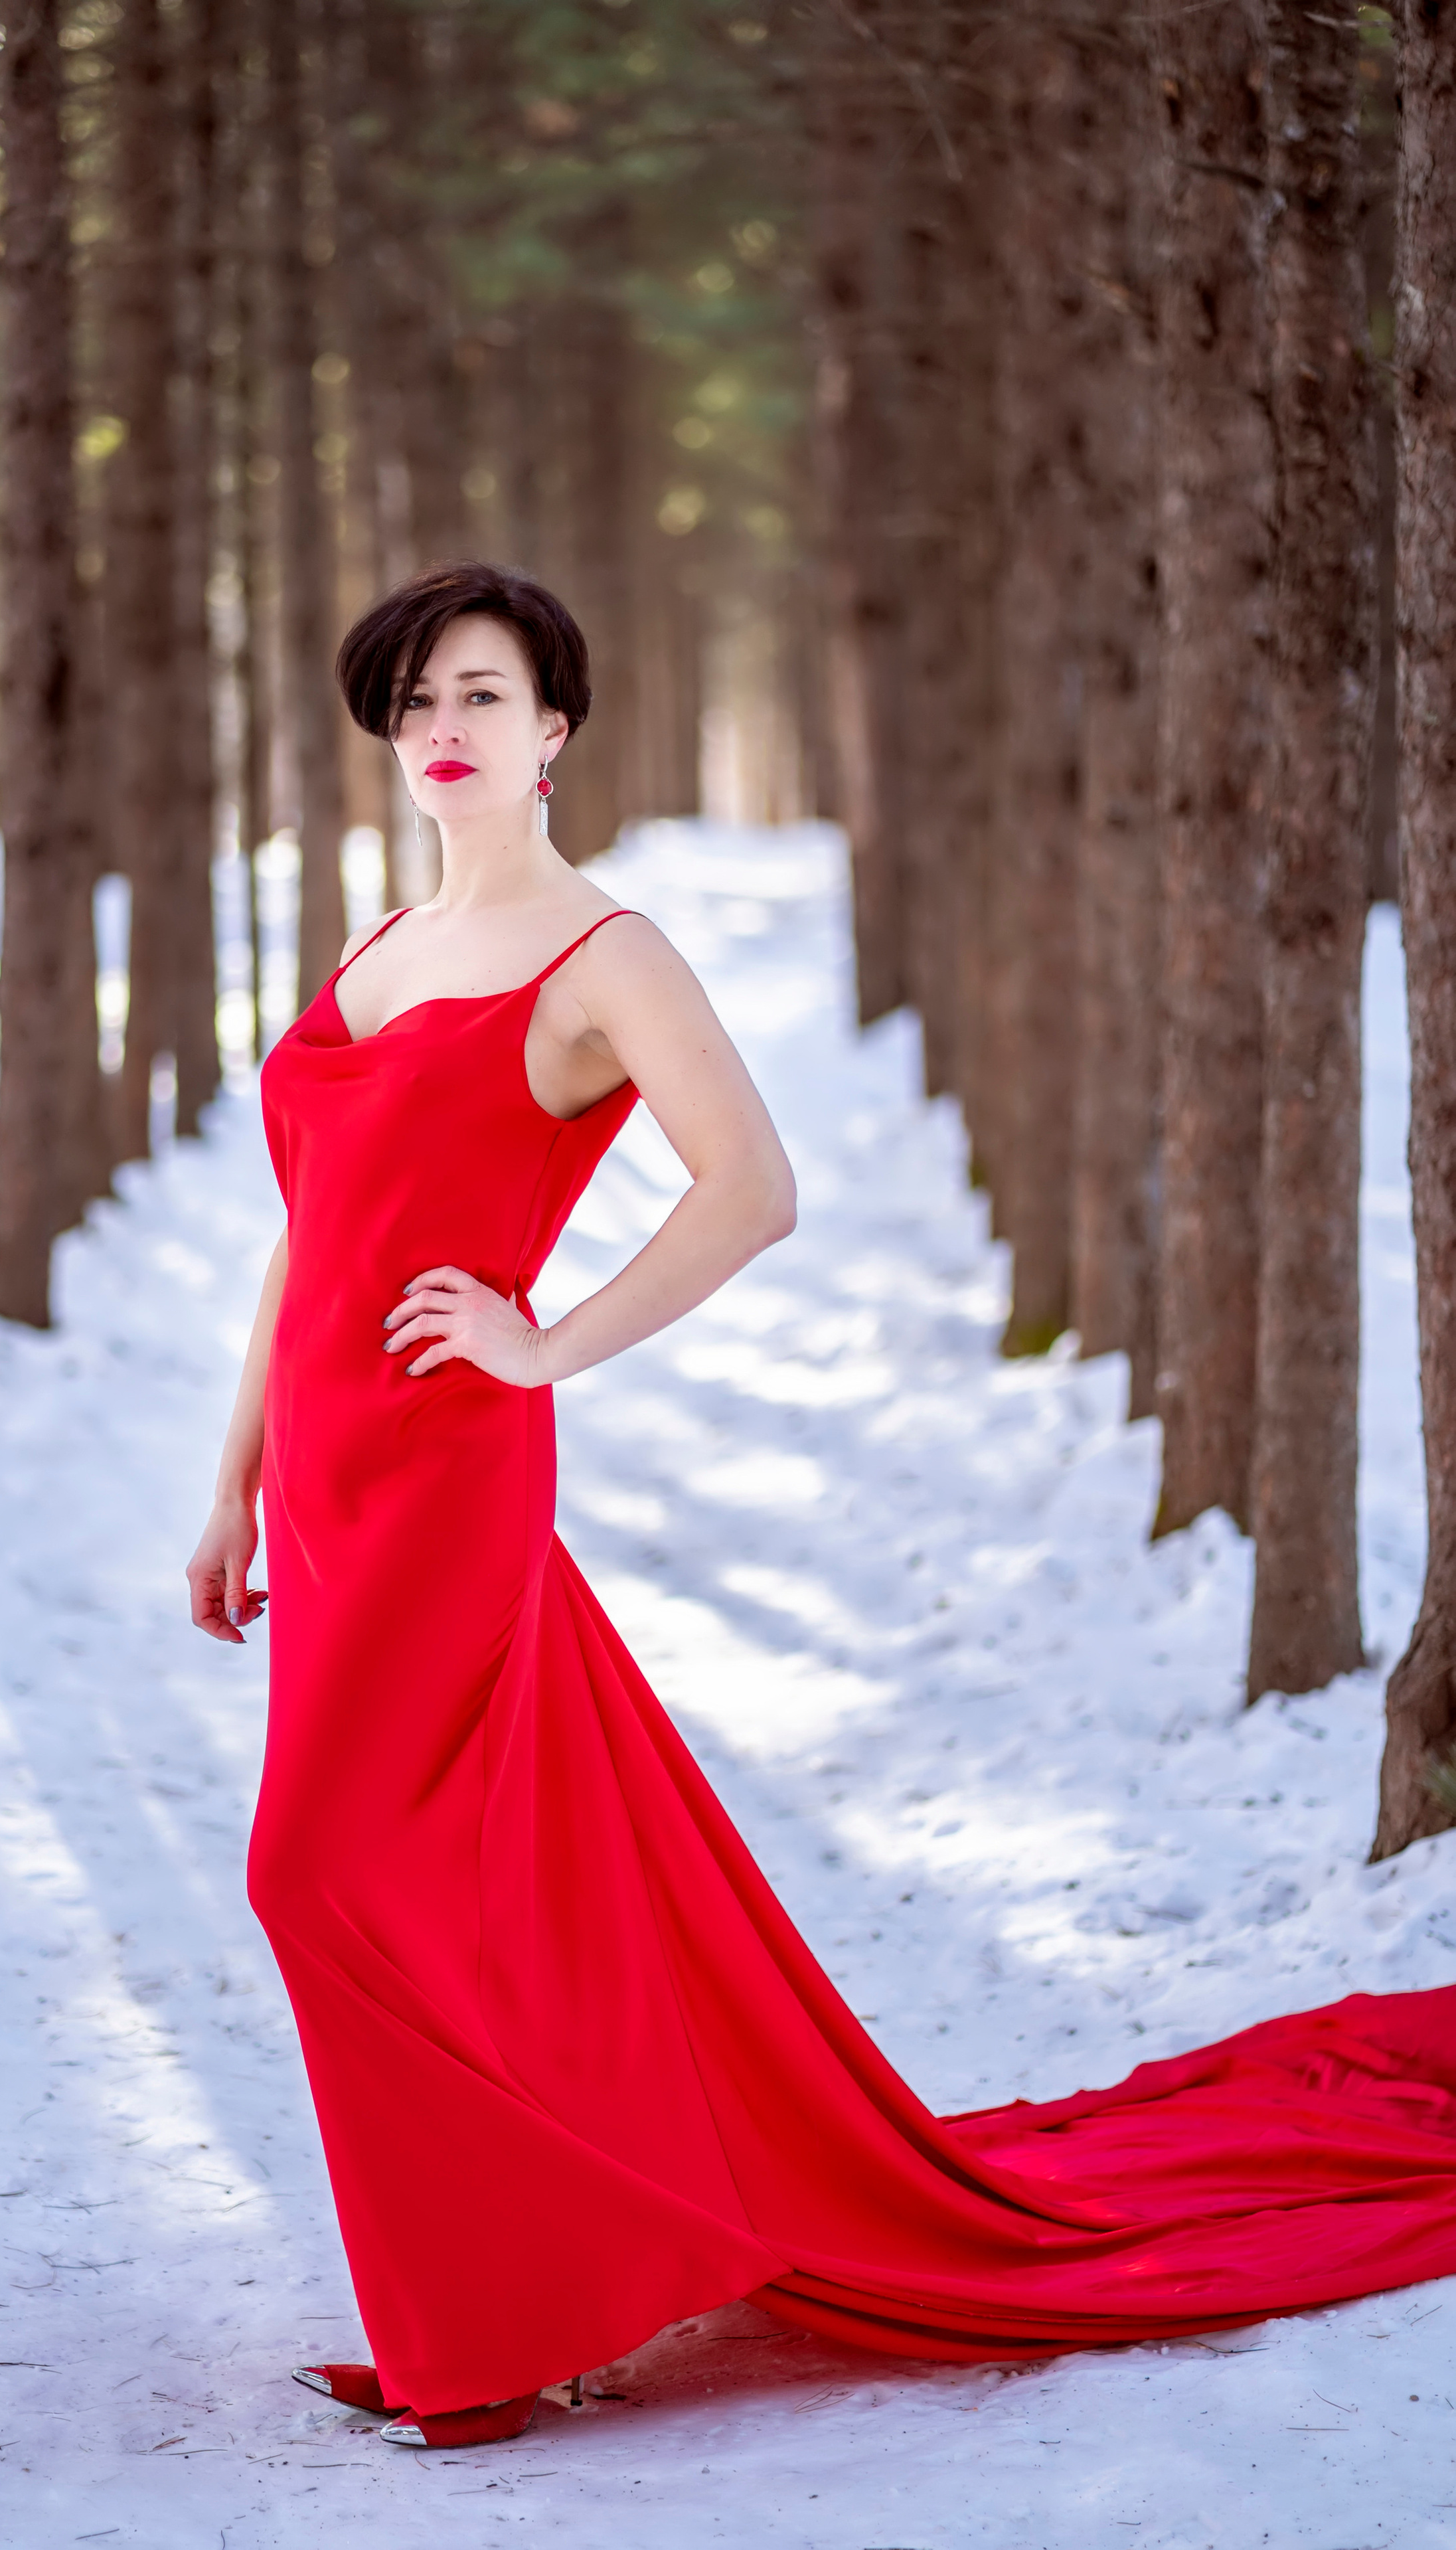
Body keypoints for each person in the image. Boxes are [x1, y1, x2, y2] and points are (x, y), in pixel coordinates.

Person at [188, 560, 1456, 2453]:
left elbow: (752, 1187)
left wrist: (548, 1351)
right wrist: (231, 1483)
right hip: (331, 1478)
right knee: (473, 1889)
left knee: (314, 1871)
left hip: (449, 1476)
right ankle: (559, 2281)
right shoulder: (376, 950)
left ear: (554, 732)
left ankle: (521, 2306)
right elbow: (315, 1237)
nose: (438, 729)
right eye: (412, 701)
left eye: (479, 696)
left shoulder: (602, 957)